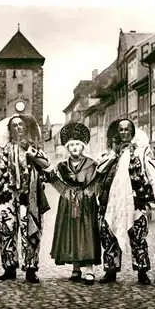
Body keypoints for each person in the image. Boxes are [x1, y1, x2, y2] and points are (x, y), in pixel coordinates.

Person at [0, 114, 50, 283]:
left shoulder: (33, 148)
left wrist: (32, 155)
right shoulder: (2, 150)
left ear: (26, 128)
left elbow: (46, 165)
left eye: (21, 125)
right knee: (6, 230)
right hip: (6, 196)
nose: (18, 128)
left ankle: (31, 268)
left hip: (29, 196)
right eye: (14, 126)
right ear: (9, 131)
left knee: (30, 231)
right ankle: (9, 267)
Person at [96, 118, 155, 285]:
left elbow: (152, 171)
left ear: (132, 132)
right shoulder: (110, 152)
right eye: (121, 129)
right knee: (109, 235)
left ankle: (142, 272)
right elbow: (99, 170)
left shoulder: (141, 151)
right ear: (117, 132)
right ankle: (110, 271)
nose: (124, 132)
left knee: (138, 236)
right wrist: (114, 154)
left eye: (127, 129)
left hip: (135, 200)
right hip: (112, 201)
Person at [47, 122, 101, 285]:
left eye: (78, 144)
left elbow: (97, 182)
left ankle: (90, 269)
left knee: (87, 233)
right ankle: (76, 268)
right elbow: (55, 180)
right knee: (71, 233)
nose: (75, 147)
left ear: (83, 146)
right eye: (72, 145)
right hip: (68, 203)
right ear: (67, 148)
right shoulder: (62, 166)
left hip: (86, 204)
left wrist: (87, 193)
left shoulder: (92, 164)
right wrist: (65, 191)